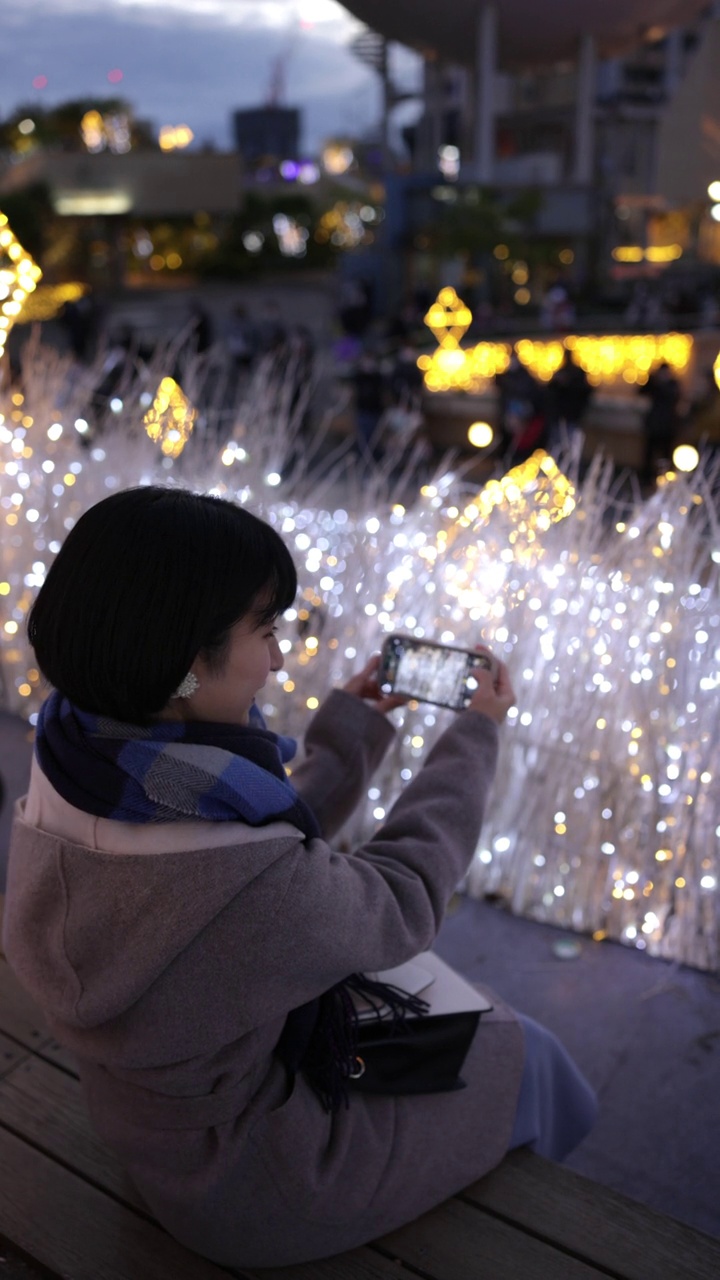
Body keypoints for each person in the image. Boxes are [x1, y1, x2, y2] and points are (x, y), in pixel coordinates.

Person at [2, 487, 596, 1270]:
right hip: (261, 1181)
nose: (280, 659)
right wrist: (473, 738)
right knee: (525, 1051)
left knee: (439, 1016)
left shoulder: (79, 751)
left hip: (147, 1119)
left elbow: (240, 858)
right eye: (266, 631)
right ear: (185, 660)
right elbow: (401, 900)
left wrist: (351, 736)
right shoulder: (245, 882)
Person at [639, 361, 682, 484]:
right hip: (654, 426)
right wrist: (651, 379)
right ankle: (646, 479)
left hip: (667, 426)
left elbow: (674, 397)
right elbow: (641, 391)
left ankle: (664, 480)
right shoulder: (654, 384)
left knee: (665, 456)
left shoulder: (672, 384)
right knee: (649, 455)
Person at [546, 349, 593, 455]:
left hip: (570, 416)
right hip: (562, 417)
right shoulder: (561, 373)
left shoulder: (575, 374)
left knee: (570, 449)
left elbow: (585, 391)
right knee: (560, 449)